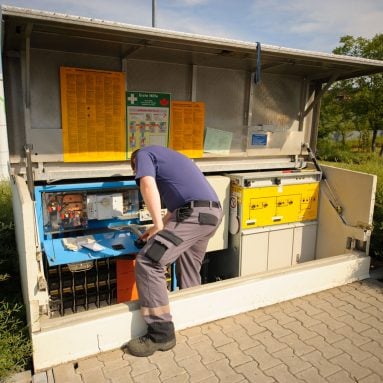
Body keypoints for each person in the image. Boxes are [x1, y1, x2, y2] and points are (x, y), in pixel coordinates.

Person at [124, 145, 223, 357]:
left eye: (135, 170)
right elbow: (173, 211)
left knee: (149, 261)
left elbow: (147, 184)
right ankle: (194, 318)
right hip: (210, 214)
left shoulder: (143, 154)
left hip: (194, 214)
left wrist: (159, 226)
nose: (137, 172)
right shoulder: (173, 158)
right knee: (188, 266)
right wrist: (155, 228)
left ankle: (161, 334)